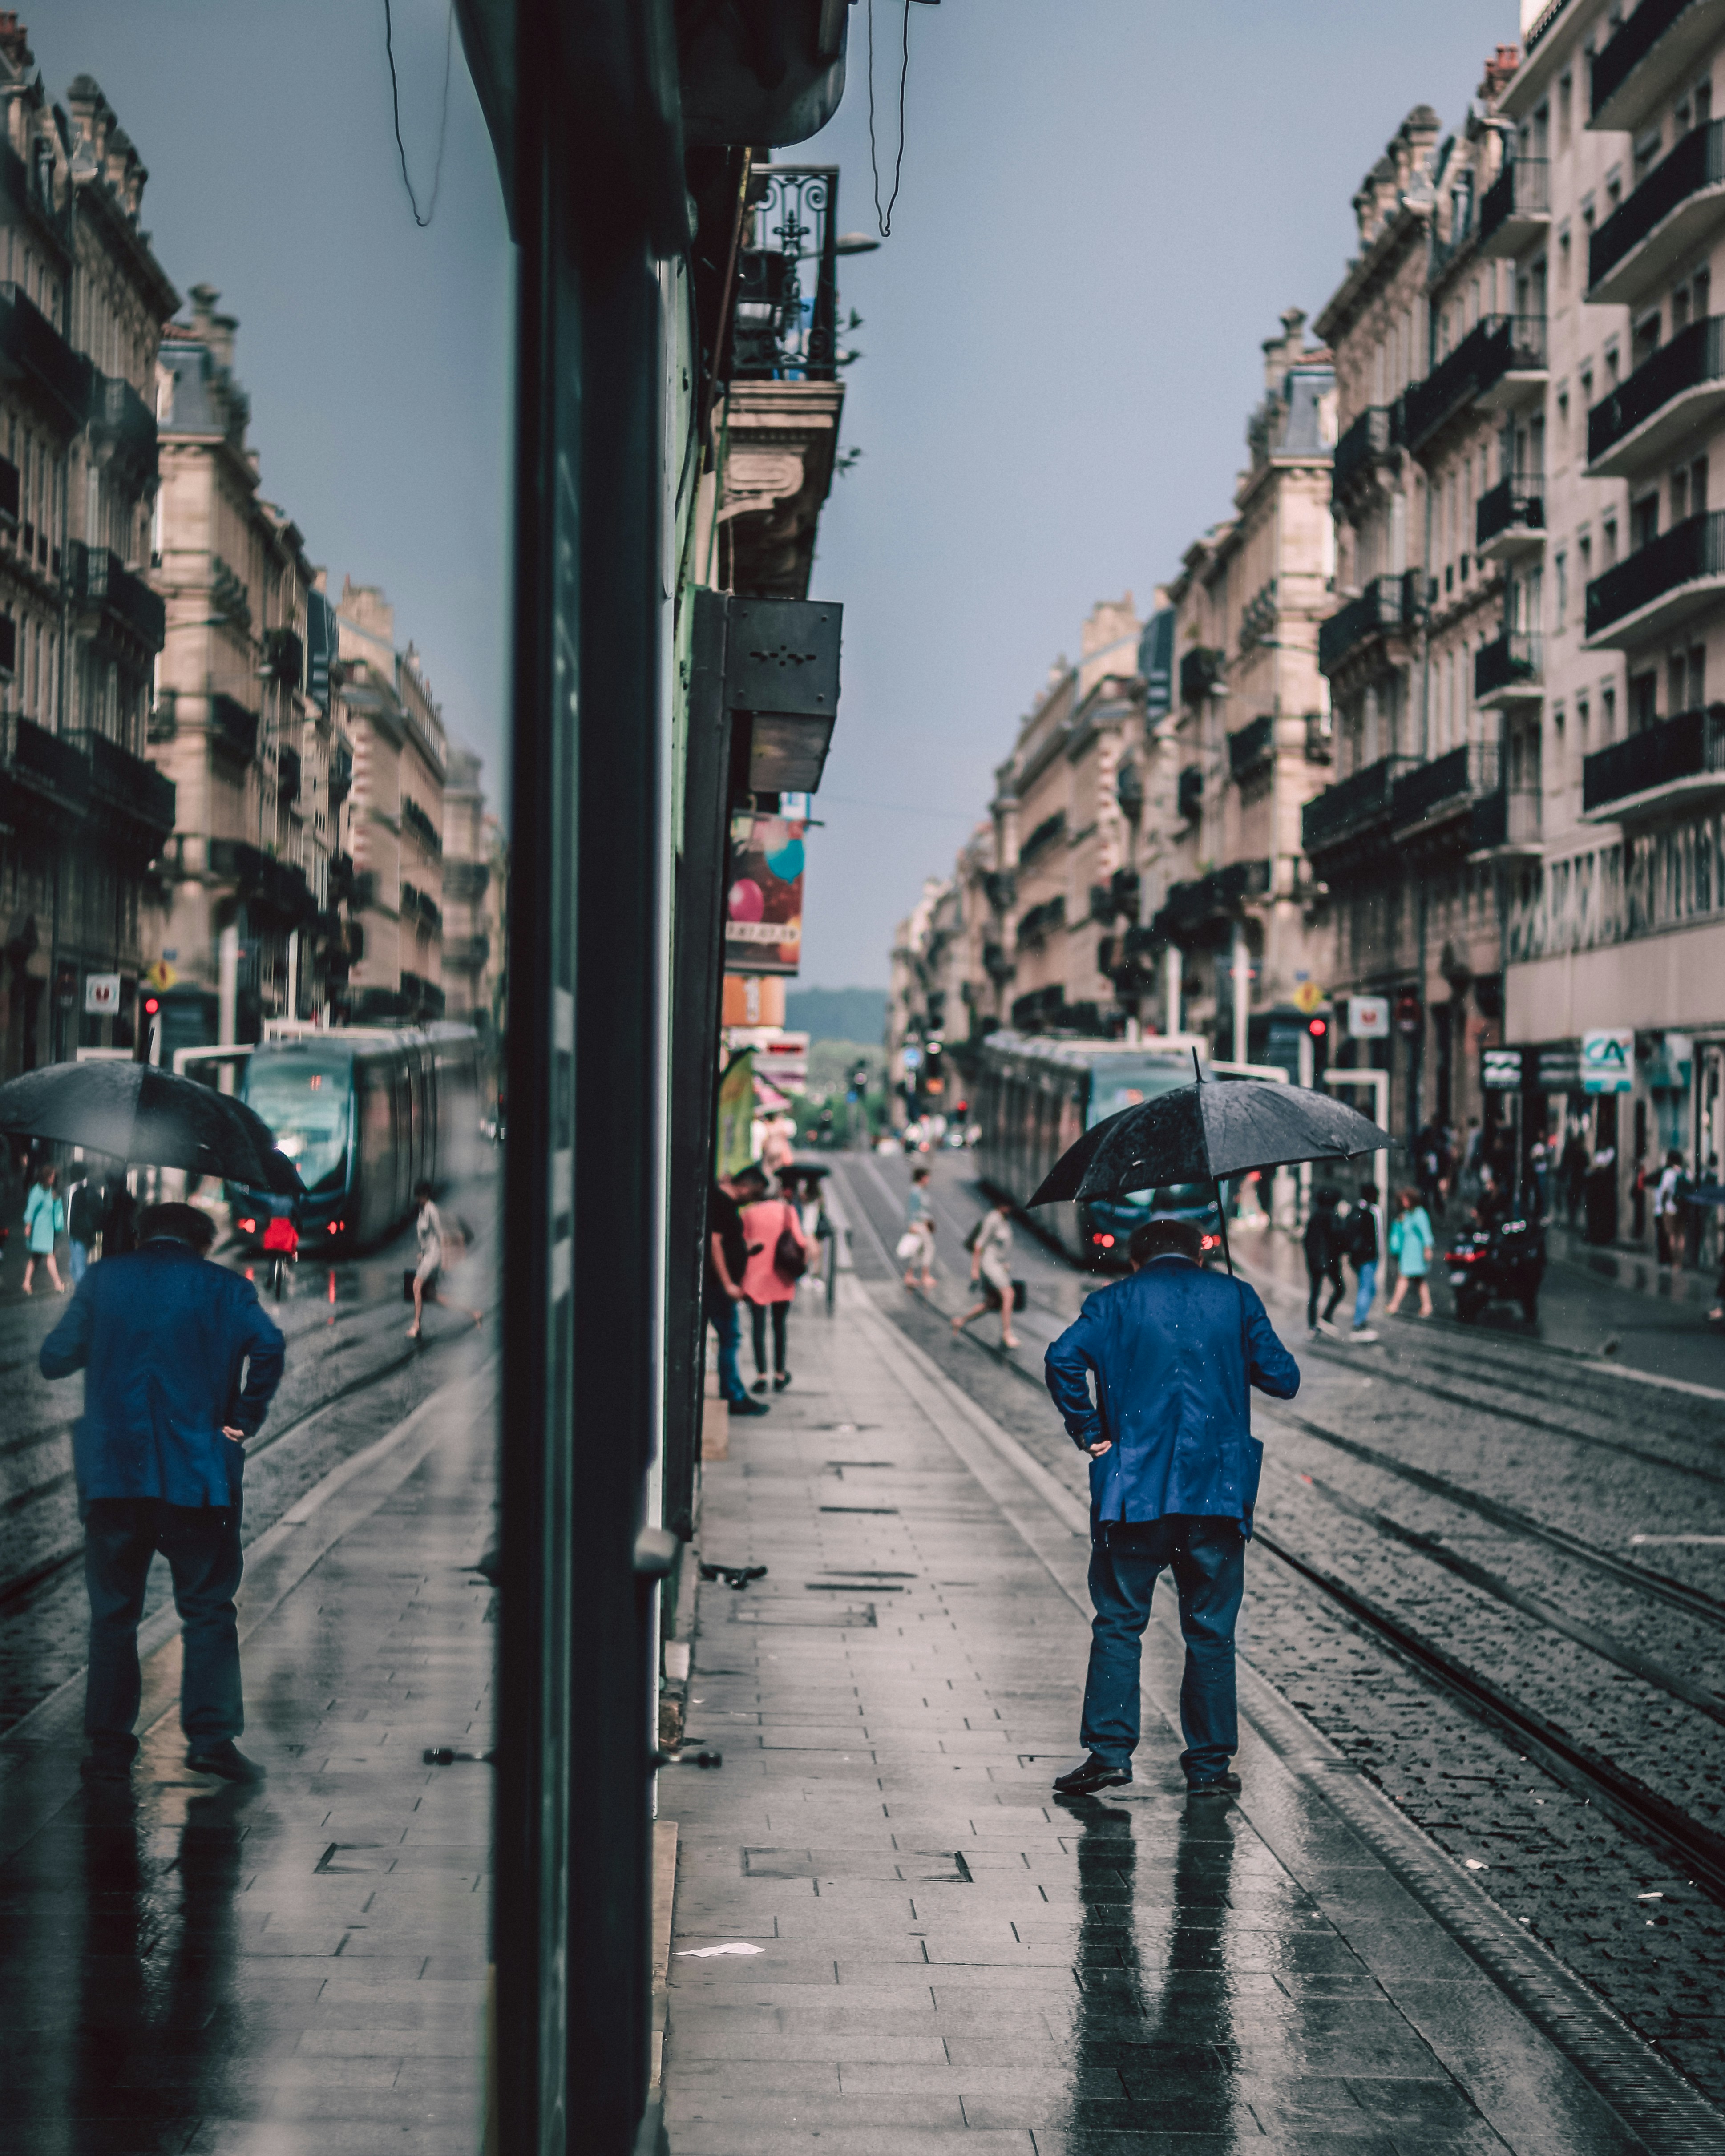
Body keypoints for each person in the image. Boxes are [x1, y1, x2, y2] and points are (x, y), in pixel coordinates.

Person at [1043, 1215, 1300, 1798]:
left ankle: (1108, 1751)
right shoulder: (1234, 1296)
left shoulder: (1113, 1301)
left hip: (1136, 1491)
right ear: (1201, 1255)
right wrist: (1236, 1324)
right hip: (1215, 1492)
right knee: (1211, 1630)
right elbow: (1283, 1378)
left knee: (1119, 1619)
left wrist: (1088, 1430)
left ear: (1137, 1260)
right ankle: (1209, 1765)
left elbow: (1061, 1358)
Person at [39, 1201, 286, 1784]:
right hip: (195, 1479)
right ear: (201, 1242)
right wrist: (244, 1416)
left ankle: (107, 1746)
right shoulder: (225, 1286)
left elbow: (55, 1359)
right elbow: (269, 1346)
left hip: (115, 1479)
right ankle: (211, 1738)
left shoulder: (105, 1278)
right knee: (207, 1607)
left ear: (140, 1232)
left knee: (114, 1614)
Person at [706, 1165, 769, 1418]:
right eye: (754, 1195)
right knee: (730, 1337)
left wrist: (745, 1249)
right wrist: (728, 1284)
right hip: (717, 1286)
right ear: (746, 1186)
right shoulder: (722, 1203)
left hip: (719, 1284)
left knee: (730, 1336)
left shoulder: (727, 1205)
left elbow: (725, 1242)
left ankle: (735, 1392)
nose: (752, 1201)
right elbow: (714, 1242)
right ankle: (733, 1394)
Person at [741, 1173, 810, 1393]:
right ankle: (780, 1374)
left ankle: (761, 1375)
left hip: (754, 1278)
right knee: (779, 1326)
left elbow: (743, 1245)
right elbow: (801, 1242)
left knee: (758, 1328)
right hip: (782, 1277)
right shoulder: (787, 1212)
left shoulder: (748, 1213)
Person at [407, 1180, 483, 1338]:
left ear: (425, 1195)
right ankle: (474, 1313)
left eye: (419, 1196)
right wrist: (422, 1252)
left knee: (416, 1286)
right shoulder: (423, 1210)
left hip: (434, 1256)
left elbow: (441, 1235)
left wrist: (445, 1258)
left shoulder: (431, 1210)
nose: (417, 1199)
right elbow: (427, 1237)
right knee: (433, 1296)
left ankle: (417, 1326)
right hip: (429, 1255)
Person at [951, 1198, 1019, 1351]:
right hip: (990, 1265)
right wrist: (974, 1269)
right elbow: (978, 1245)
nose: (1010, 1208)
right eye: (1007, 1204)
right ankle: (1006, 1334)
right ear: (1000, 1204)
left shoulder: (1004, 1220)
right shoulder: (993, 1218)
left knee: (992, 1302)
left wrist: (1004, 1263)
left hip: (998, 1265)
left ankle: (961, 1321)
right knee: (1009, 1295)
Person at [1301, 1185, 1346, 1334]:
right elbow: (1338, 1236)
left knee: (1315, 1293)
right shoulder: (1333, 1215)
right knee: (1340, 1289)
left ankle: (1312, 1325)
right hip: (1330, 1260)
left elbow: (1307, 1240)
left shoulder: (1315, 1216)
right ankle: (1326, 1317)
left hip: (1314, 1261)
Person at [1384, 1187, 1435, 1319]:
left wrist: (1427, 1249)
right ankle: (1427, 1305)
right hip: (1408, 1252)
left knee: (1405, 1278)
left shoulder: (1419, 1214)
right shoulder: (1407, 1214)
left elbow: (1426, 1233)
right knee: (1419, 1280)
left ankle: (1394, 1305)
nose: (1404, 1203)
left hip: (1416, 1253)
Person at [1345, 1181, 1383, 1341]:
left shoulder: (1354, 1209)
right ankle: (1358, 1325)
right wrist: (1379, 1256)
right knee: (1366, 1289)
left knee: (1369, 1288)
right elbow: (1379, 1237)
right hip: (1369, 1257)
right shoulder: (1373, 1212)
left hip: (1356, 1257)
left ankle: (1361, 1319)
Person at [22, 1162, 66, 1295]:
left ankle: (26, 1282)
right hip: (40, 1231)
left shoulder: (48, 1191)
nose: (54, 1179)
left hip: (47, 1231)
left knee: (35, 1257)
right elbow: (30, 1210)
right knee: (49, 1256)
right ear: (46, 1177)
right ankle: (58, 1284)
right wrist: (28, 1225)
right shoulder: (37, 1191)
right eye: (52, 1176)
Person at [900, 1164, 935, 1288]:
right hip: (919, 1225)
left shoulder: (921, 1190)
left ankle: (909, 1276)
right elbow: (913, 1210)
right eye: (927, 1177)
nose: (929, 1180)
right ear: (922, 1178)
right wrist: (912, 1224)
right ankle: (925, 1276)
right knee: (929, 1248)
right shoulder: (916, 1191)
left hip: (923, 1224)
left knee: (919, 1250)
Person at [66, 1167, 101, 1287]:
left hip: (79, 1235)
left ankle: (84, 1292)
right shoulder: (90, 1192)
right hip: (83, 1235)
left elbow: (75, 1215)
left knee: (79, 1268)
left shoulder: (79, 1192)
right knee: (73, 1265)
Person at [1654, 1149, 1685, 1269]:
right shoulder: (1684, 1173)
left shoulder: (1669, 1173)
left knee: (1672, 1236)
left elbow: (1666, 1192)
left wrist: (1662, 1206)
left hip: (1670, 1209)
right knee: (1681, 1235)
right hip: (1681, 1209)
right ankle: (1680, 1262)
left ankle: (1674, 1263)